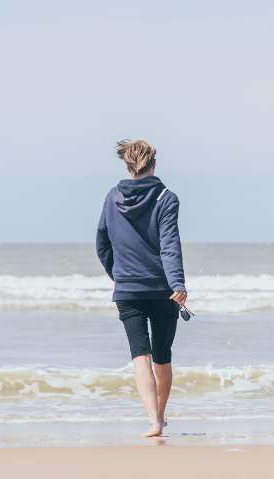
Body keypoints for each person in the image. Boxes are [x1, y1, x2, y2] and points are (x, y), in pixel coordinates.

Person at [96, 139, 187, 437]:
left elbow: (102, 243)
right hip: (163, 290)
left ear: (128, 166)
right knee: (162, 355)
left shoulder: (112, 197)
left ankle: (154, 421)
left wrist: (118, 275)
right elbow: (169, 245)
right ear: (154, 164)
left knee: (140, 355)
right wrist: (177, 283)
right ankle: (160, 415)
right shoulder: (166, 198)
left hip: (128, 290)